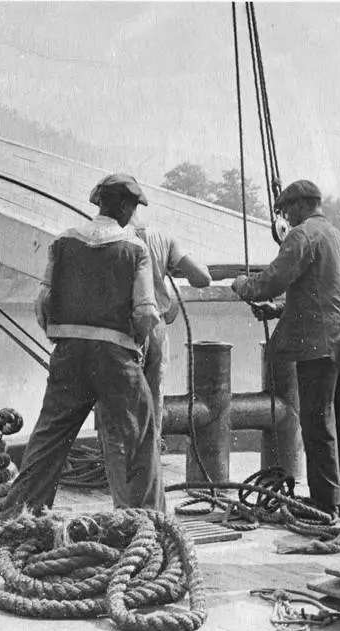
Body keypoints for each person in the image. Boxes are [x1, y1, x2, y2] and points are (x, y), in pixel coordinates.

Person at [6, 173, 165, 515]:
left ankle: (23, 518)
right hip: (116, 356)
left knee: (49, 438)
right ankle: (143, 524)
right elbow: (146, 313)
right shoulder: (135, 248)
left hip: (68, 354)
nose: (133, 215)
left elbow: (43, 304)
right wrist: (135, 347)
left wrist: (61, 337)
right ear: (123, 206)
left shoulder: (63, 241)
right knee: (137, 437)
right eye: (133, 207)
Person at [230, 179, 340, 519]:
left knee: (317, 421)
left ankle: (323, 504)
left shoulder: (302, 235)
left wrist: (244, 286)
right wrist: (279, 309)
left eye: (286, 210)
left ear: (301, 205)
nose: (285, 217)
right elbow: (324, 293)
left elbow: (271, 280)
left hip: (318, 345)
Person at [90, 175, 212, 506]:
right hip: (156, 333)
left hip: (123, 336)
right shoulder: (161, 237)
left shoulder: (108, 239)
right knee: (151, 420)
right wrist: (170, 285)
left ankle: (124, 505)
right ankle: (152, 505)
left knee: (115, 422)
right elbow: (203, 278)